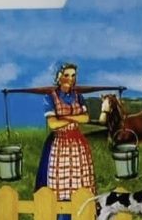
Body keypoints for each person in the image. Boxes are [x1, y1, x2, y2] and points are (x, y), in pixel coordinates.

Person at [30, 63, 96, 203]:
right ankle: (60, 213)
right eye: (66, 75)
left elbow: (85, 118)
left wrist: (63, 118)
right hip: (58, 142)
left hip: (77, 142)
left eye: (73, 76)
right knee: (57, 176)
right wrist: (74, 117)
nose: (70, 79)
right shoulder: (50, 97)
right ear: (59, 77)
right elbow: (53, 124)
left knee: (81, 177)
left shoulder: (78, 96)